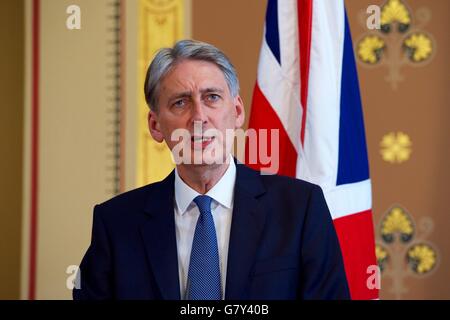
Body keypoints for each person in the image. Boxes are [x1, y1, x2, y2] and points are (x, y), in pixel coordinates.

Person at [73, 39, 350, 300]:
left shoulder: (300, 208)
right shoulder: (116, 223)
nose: (199, 117)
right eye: (180, 102)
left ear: (237, 111)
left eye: (212, 97)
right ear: (156, 125)